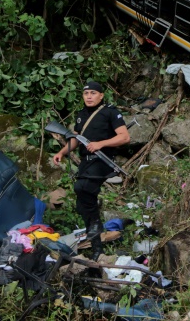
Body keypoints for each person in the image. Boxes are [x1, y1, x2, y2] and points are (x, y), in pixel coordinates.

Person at [53, 81, 130, 259]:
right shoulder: (81, 115)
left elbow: (124, 137)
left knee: (83, 188)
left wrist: (100, 144)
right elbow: (76, 140)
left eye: (93, 93)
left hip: (103, 160)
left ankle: (96, 228)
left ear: (101, 95)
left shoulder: (110, 112)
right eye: (86, 93)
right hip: (86, 162)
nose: (89, 96)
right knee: (82, 203)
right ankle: (97, 248)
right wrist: (61, 152)